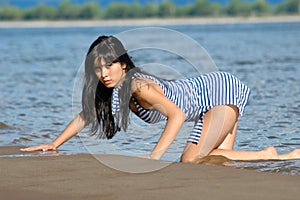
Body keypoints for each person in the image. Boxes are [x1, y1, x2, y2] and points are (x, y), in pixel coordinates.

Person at [21, 35, 300, 162]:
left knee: (190, 160)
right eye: (98, 68)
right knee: (215, 161)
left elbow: (176, 115)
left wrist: (154, 157)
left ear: (124, 65)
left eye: (109, 65)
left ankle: (270, 155)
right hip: (210, 100)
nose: (103, 73)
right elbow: (86, 116)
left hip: (220, 93)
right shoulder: (114, 91)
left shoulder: (139, 86)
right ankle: (273, 156)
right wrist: (53, 144)